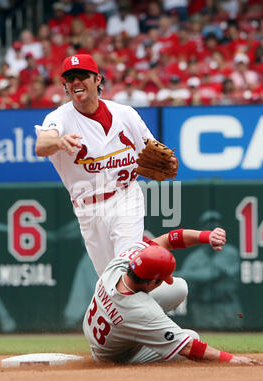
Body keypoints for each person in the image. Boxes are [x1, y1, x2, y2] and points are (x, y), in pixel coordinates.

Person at [35, 53, 178, 277]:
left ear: (97, 79)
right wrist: (59, 141)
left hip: (125, 198)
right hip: (87, 209)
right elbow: (42, 145)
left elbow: (153, 147)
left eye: (82, 76)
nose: (75, 82)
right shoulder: (59, 118)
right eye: (70, 78)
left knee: (127, 267)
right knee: (110, 282)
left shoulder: (125, 114)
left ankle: (152, 307)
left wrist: (169, 160)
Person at [83, 225, 261, 365]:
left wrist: (207, 236)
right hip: (116, 356)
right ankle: (150, 337)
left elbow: (169, 240)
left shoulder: (120, 264)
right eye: (161, 280)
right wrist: (231, 359)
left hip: (105, 330)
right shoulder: (141, 310)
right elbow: (189, 347)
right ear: (151, 282)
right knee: (192, 336)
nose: (164, 282)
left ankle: (149, 334)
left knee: (179, 287)